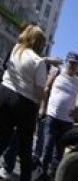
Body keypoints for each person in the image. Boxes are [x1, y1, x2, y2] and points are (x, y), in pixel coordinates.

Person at [0, 24, 47, 181]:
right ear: (39, 42)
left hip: (4, 94)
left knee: (2, 138)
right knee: (25, 147)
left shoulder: (15, 49)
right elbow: (39, 92)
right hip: (25, 104)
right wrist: (45, 94)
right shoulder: (39, 62)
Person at [39, 51, 78, 176]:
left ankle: (52, 175)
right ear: (66, 62)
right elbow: (46, 89)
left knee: (59, 152)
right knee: (47, 147)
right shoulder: (57, 73)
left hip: (67, 122)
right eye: (71, 63)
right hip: (52, 117)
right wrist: (42, 107)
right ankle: (41, 173)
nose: (73, 66)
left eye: (75, 64)